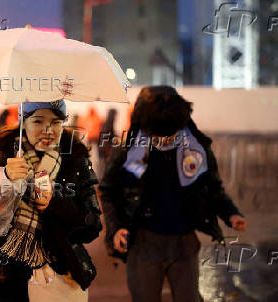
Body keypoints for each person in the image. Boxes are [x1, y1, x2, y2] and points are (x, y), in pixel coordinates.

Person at [99, 86, 247, 302]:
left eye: (171, 135)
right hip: (143, 243)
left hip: (184, 244)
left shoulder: (197, 151)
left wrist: (231, 213)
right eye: (158, 136)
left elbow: (213, 187)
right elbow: (108, 190)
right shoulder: (129, 152)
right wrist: (116, 228)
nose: (166, 141)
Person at [0, 100, 102, 302]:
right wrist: (4, 179)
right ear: (23, 122)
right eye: (38, 121)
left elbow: (92, 226)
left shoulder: (75, 158)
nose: (48, 130)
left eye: (56, 122)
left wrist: (55, 203)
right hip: (2, 273)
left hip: (57, 275)